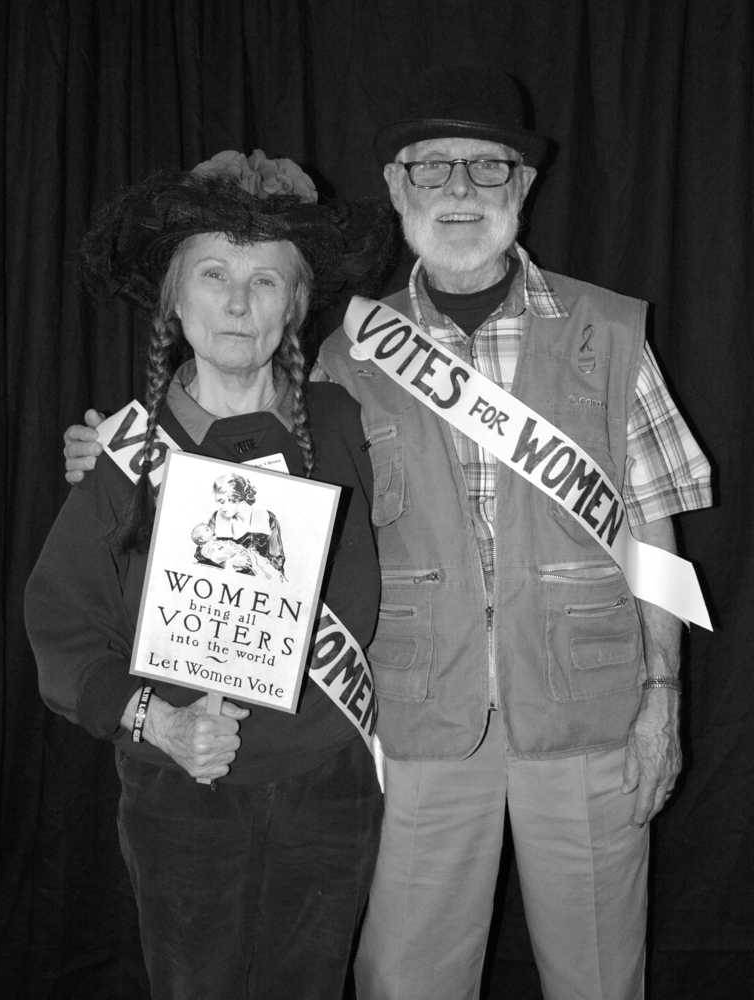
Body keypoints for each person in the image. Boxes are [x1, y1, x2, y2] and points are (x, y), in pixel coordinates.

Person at [63, 68, 713, 1000]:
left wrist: (662, 698)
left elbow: (653, 528)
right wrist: (122, 457)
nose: (458, 190)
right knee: (409, 981)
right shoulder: (343, 355)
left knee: (602, 980)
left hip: (592, 719)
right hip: (417, 725)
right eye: (432, 167)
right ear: (398, 187)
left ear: (523, 190)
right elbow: (234, 471)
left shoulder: (607, 334)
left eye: (487, 169)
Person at [27, 151, 392, 1000]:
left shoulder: (346, 425)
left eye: (267, 281)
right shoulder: (125, 454)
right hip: (181, 794)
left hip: (329, 790)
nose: (238, 301)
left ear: (297, 306)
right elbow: (65, 630)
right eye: (214, 273)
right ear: (174, 298)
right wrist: (156, 721)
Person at [192, 471, 285, 578]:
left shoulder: (267, 518)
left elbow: (277, 561)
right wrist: (230, 563)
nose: (219, 507)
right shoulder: (216, 518)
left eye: (222, 502)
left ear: (235, 497)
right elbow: (205, 554)